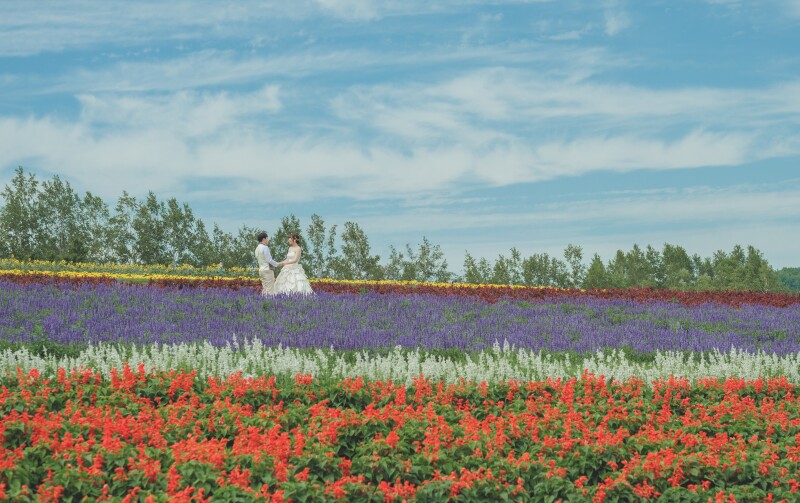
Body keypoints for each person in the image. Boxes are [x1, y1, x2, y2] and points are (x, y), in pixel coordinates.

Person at [255, 232, 278, 296]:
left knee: (265, 289)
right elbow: (269, 260)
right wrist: (277, 264)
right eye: (267, 238)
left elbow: (257, 257)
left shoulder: (257, 248)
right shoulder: (265, 248)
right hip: (267, 270)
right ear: (264, 239)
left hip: (261, 270)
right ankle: (269, 304)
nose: (268, 240)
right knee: (270, 289)